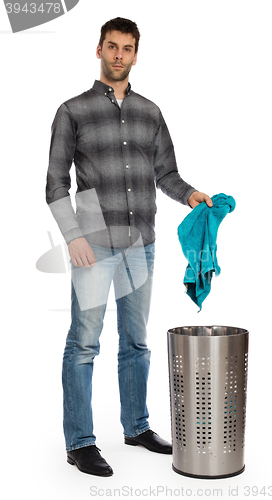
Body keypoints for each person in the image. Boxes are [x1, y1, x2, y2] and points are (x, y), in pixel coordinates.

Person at [46, 17, 213, 477]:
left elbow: (167, 175)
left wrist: (192, 194)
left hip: (143, 243)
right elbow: (55, 184)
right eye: (112, 47)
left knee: (136, 343)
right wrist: (74, 236)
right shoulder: (72, 111)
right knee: (83, 343)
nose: (119, 55)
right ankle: (79, 442)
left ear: (137, 55)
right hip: (94, 245)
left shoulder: (150, 112)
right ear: (98, 50)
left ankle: (136, 427)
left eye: (127, 48)